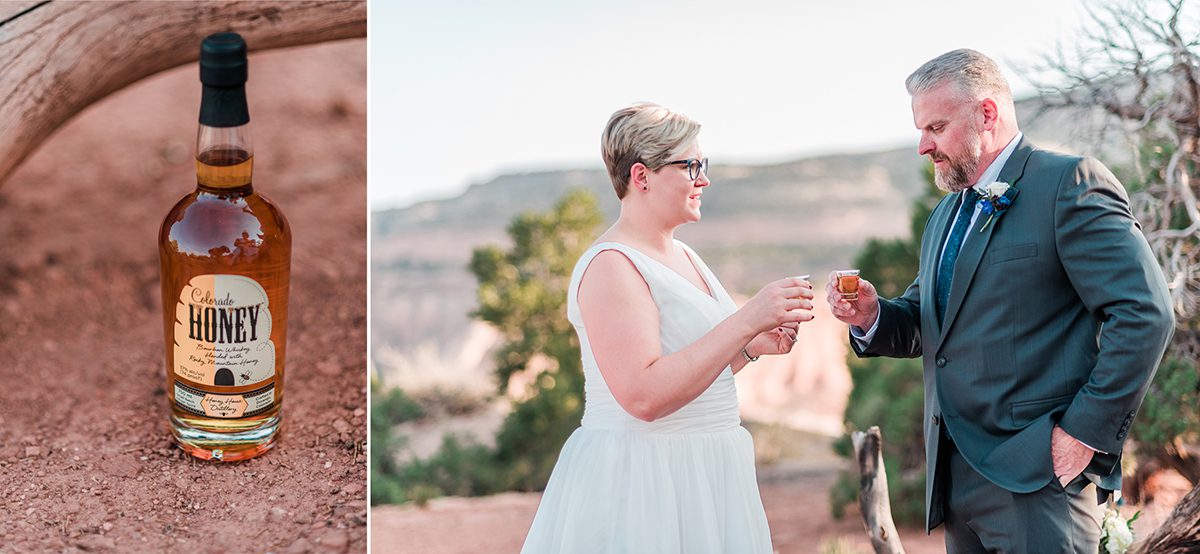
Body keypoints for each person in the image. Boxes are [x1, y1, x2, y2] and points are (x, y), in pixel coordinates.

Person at [826, 49, 1175, 553]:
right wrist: (874, 316)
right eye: (920, 130)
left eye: (937, 127)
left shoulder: (1069, 183)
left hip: (1039, 479)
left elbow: (1145, 312)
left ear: (987, 114)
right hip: (955, 482)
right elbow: (931, 326)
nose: (924, 145)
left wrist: (1082, 434)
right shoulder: (945, 215)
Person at [520, 103, 814, 553]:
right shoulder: (612, 266)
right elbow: (644, 395)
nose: (704, 179)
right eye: (691, 165)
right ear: (642, 177)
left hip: (708, 472)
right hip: (645, 481)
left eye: (704, 164)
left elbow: (690, 371)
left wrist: (751, 345)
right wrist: (746, 319)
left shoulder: (685, 256)